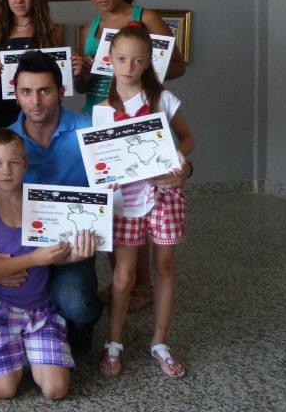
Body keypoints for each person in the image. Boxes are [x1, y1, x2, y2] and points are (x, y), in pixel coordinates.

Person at [71, 0, 187, 313]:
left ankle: (142, 285)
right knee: (113, 203)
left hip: (137, 117)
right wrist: (81, 72)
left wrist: (141, 74)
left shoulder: (145, 17)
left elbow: (178, 64)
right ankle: (122, 278)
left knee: (138, 202)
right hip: (98, 116)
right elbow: (86, 84)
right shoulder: (91, 27)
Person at [92, 26, 194, 378]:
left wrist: (179, 159)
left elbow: (188, 139)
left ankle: (160, 341)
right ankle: (114, 342)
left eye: (137, 60)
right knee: (122, 276)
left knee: (164, 268)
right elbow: (100, 162)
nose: (129, 67)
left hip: (163, 193)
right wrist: (104, 177)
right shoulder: (102, 110)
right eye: (122, 59)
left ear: (149, 61)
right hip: (124, 200)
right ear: (109, 60)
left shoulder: (162, 99)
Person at [0, 130, 95, 400]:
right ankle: (14, 347)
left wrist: (79, 254)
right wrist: (33, 259)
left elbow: (57, 255)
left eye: (14, 162)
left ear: (25, 165)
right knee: (3, 391)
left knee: (56, 390)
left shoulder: (43, 202)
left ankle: (33, 345)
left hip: (41, 310)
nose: (6, 171)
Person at [7, 51, 100, 351]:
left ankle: (78, 322)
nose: (35, 101)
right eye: (26, 92)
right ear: (16, 94)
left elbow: (116, 184)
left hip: (75, 242)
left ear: (61, 92)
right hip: (25, 244)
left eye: (45, 91)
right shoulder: (6, 141)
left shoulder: (88, 130)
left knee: (76, 303)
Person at [0, 0, 63, 132]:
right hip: (3, 117)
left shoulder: (50, 31)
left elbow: (58, 81)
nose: (18, 0)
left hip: (41, 116)